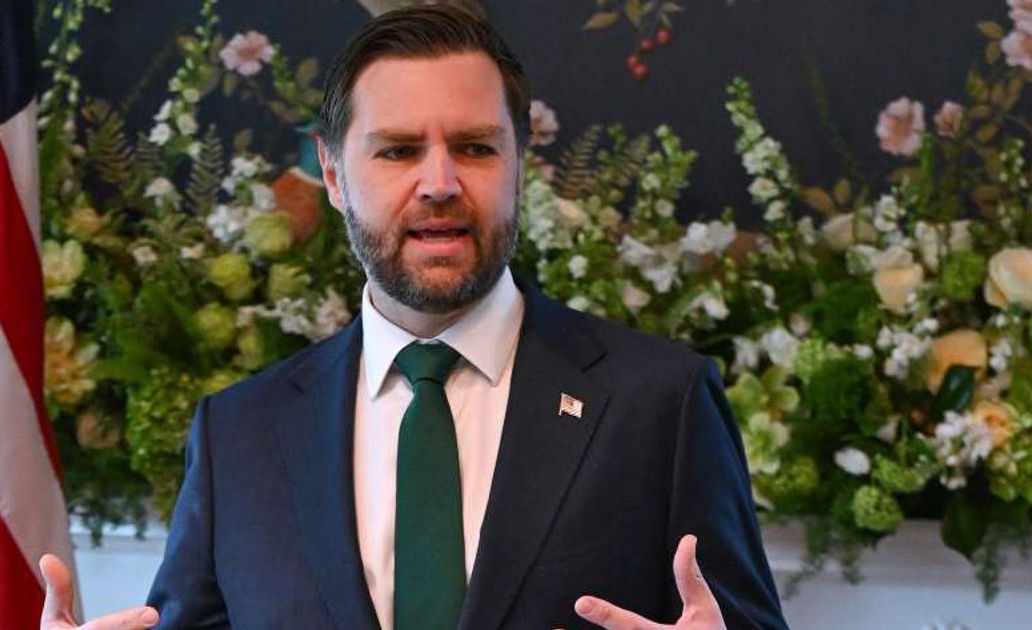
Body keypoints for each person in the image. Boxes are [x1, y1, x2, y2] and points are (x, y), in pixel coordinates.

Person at [40, 5, 788, 629]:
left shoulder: (663, 404)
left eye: (475, 147)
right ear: (334, 176)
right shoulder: (239, 436)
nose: (440, 183)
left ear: (519, 165)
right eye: (398, 151)